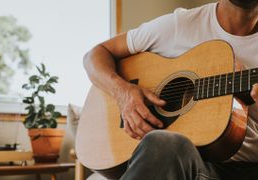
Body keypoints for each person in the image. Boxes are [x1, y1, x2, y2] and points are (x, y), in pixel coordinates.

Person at [83, 0, 258, 179]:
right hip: (188, 162)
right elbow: (94, 55)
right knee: (163, 143)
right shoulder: (179, 25)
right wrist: (122, 93)